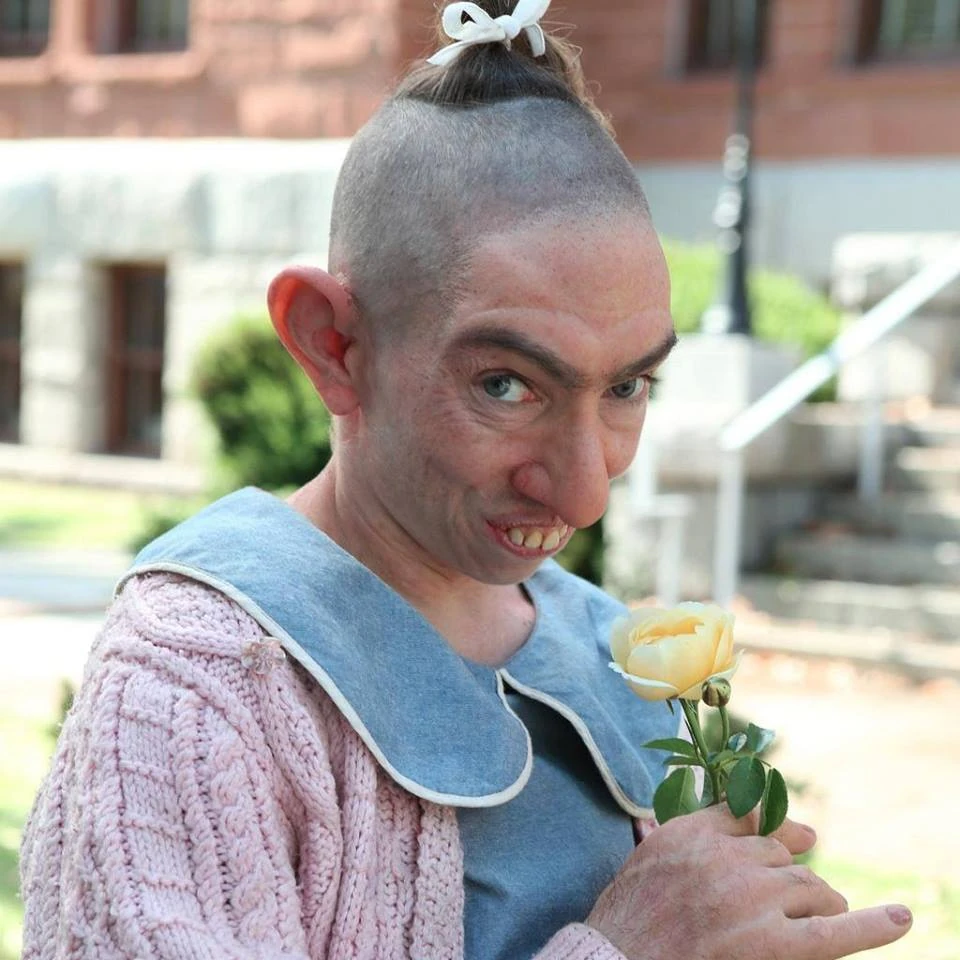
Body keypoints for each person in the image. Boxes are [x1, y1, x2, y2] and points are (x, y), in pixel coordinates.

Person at [20, 2, 913, 958]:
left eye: (627, 386)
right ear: (333, 344)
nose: (586, 495)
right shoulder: (194, 689)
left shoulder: (611, 649)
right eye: (507, 385)